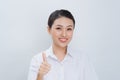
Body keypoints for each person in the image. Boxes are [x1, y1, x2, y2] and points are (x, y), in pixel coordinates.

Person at [28, 9, 98, 80]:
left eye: (69, 29)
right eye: (58, 28)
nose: (64, 34)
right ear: (49, 30)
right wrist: (40, 76)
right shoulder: (37, 60)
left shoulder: (83, 59)